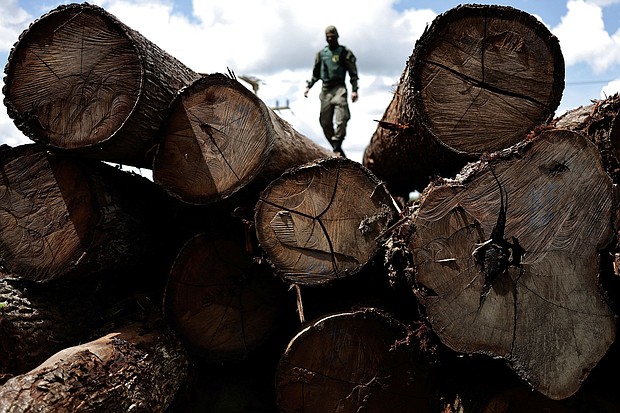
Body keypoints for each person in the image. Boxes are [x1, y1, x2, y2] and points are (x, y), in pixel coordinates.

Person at [304, 25, 358, 157]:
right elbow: (316, 74)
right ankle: (336, 147)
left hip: (339, 88)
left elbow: (353, 73)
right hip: (326, 90)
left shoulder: (345, 52)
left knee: (342, 117)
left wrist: (354, 90)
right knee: (325, 121)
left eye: (332, 37)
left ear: (337, 36)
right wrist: (308, 87)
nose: (330, 39)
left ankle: (337, 144)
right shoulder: (322, 54)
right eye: (327, 37)